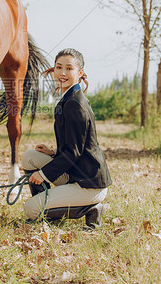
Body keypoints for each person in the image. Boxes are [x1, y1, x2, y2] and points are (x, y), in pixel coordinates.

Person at [22, 48, 112, 229]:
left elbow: (74, 153)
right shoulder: (68, 98)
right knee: (29, 157)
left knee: (31, 210)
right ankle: (53, 207)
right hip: (75, 173)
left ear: (80, 73)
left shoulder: (76, 104)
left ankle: (91, 208)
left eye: (69, 69)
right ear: (53, 69)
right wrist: (53, 152)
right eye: (59, 67)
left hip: (89, 184)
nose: (63, 73)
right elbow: (78, 145)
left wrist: (43, 174)